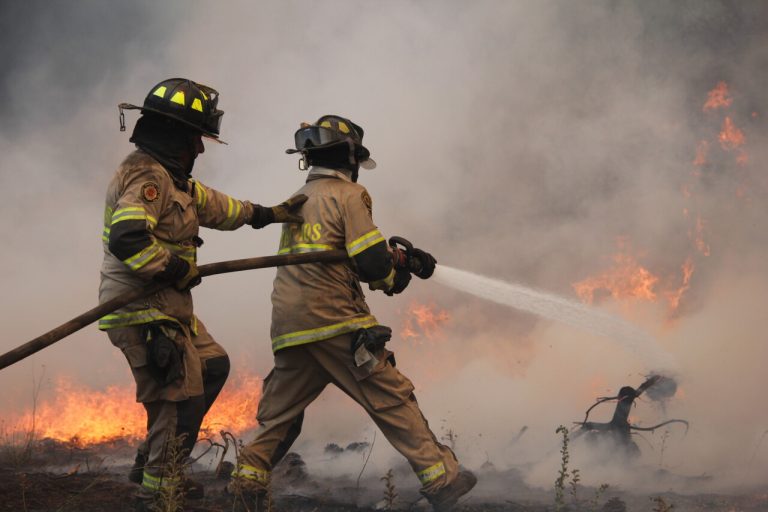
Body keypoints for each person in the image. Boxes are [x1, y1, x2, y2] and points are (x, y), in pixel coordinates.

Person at [228, 115, 476, 511]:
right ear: (351, 156)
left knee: (279, 418)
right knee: (390, 397)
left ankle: (246, 483)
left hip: (290, 326)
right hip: (336, 318)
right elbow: (371, 261)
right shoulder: (350, 195)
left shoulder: (299, 200)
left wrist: (395, 266)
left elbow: (343, 258)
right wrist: (397, 269)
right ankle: (442, 478)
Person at [99, 78, 306, 509]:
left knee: (212, 366)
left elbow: (219, 207)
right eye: (197, 138)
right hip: (142, 309)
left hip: (168, 306)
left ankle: (151, 463)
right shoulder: (147, 176)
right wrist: (173, 267)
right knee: (175, 394)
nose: (201, 150)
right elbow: (127, 238)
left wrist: (267, 215)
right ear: (176, 136)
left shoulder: (176, 181)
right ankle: (160, 492)